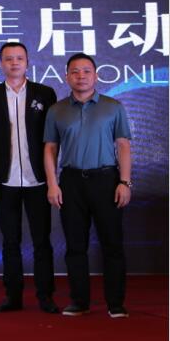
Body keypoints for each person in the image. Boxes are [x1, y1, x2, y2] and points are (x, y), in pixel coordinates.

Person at [44, 53, 132, 318]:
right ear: (66, 76)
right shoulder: (56, 110)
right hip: (71, 182)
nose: (80, 76)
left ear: (95, 75)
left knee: (112, 244)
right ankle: (79, 301)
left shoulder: (113, 106)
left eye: (86, 71)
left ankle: (115, 303)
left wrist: (125, 182)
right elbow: (50, 149)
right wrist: (52, 184)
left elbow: (123, 145)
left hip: (106, 180)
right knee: (75, 245)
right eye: (75, 71)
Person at [0, 42, 59, 314]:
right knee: (10, 241)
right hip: (6, 180)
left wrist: (53, 178)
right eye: (8, 59)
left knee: (42, 241)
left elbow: (53, 139)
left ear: (27, 62)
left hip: (38, 180)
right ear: (0, 63)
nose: (14, 63)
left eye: (19, 58)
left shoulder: (44, 93)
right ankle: (12, 296)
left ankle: (45, 296)